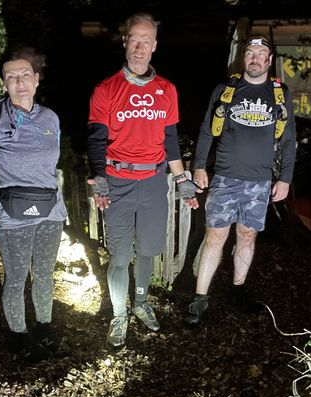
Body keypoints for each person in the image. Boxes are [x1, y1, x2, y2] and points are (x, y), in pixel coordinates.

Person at [87, 12, 201, 348]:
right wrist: (99, 176)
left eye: (146, 40)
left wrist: (181, 180)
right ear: (125, 42)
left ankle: (140, 303)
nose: (139, 47)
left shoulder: (167, 90)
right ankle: (119, 314)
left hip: (153, 182)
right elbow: (96, 138)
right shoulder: (105, 89)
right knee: (121, 255)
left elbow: (170, 141)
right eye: (134, 39)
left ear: (154, 46)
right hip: (118, 181)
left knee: (149, 250)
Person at [184, 34, 297, 325]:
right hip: (224, 178)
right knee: (215, 237)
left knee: (247, 236)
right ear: (243, 58)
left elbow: (288, 141)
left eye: (261, 54)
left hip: (259, 183)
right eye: (250, 53)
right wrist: (199, 167)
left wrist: (284, 179)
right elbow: (208, 130)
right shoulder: (226, 90)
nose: (255, 58)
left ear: (269, 61)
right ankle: (199, 300)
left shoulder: (280, 94)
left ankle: (238, 290)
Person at [0, 46, 67, 362]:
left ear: (36, 80)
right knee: (16, 277)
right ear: (3, 84)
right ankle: (18, 336)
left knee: (44, 273)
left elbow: (51, 165)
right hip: (13, 216)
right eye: (11, 77)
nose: (19, 82)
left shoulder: (50, 118)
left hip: (51, 211)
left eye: (25, 75)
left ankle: (44, 328)